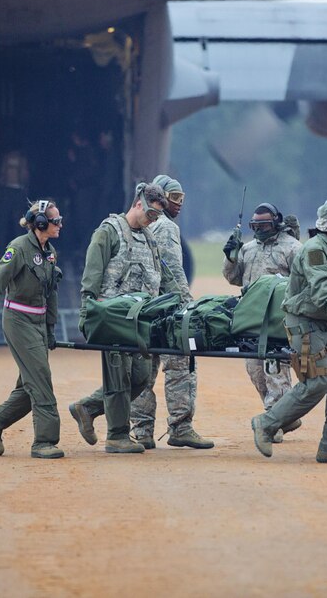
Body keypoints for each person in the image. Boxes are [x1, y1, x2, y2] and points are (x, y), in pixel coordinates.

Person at [66, 183, 183, 454]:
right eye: (151, 214)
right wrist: (87, 312)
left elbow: (163, 275)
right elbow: (92, 275)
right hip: (113, 318)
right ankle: (117, 436)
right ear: (138, 204)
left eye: (157, 216)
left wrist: (179, 303)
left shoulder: (149, 239)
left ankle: (88, 408)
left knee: (141, 376)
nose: (153, 220)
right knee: (118, 377)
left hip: (140, 321)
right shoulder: (109, 232)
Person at [250, 200, 327, 463]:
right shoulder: (315, 250)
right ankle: (266, 424)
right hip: (306, 323)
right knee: (317, 382)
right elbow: (322, 287)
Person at [0, 199, 65, 459]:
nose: (60, 225)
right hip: (19, 321)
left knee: (29, 385)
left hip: (39, 323)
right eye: (55, 221)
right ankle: (44, 441)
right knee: (41, 379)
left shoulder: (50, 252)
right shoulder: (18, 248)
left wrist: (51, 328)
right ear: (40, 223)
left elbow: (51, 293)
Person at [127, 175, 214, 449]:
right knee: (181, 366)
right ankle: (181, 427)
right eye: (174, 197)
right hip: (168, 310)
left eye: (182, 198)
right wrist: (187, 304)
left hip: (144, 309)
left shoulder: (140, 224)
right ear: (161, 198)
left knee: (144, 370)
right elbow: (173, 270)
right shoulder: (166, 226)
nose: (179, 204)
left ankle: (142, 431)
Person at [223, 202, 302, 441]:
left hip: (277, 319)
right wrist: (230, 258)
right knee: (255, 369)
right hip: (252, 317)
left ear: (276, 222)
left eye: (264, 225)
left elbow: (303, 283)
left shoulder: (293, 248)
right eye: (255, 226)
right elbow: (233, 279)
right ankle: (284, 415)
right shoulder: (248, 249)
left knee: (275, 368)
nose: (259, 230)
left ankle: (274, 422)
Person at [0, 149, 31, 248]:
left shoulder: (18, 159)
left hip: (16, 191)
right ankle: (1, 248)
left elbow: (25, 175)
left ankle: (17, 248)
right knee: (5, 221)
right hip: (8, 191)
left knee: (14, 222)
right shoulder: (7, 159)